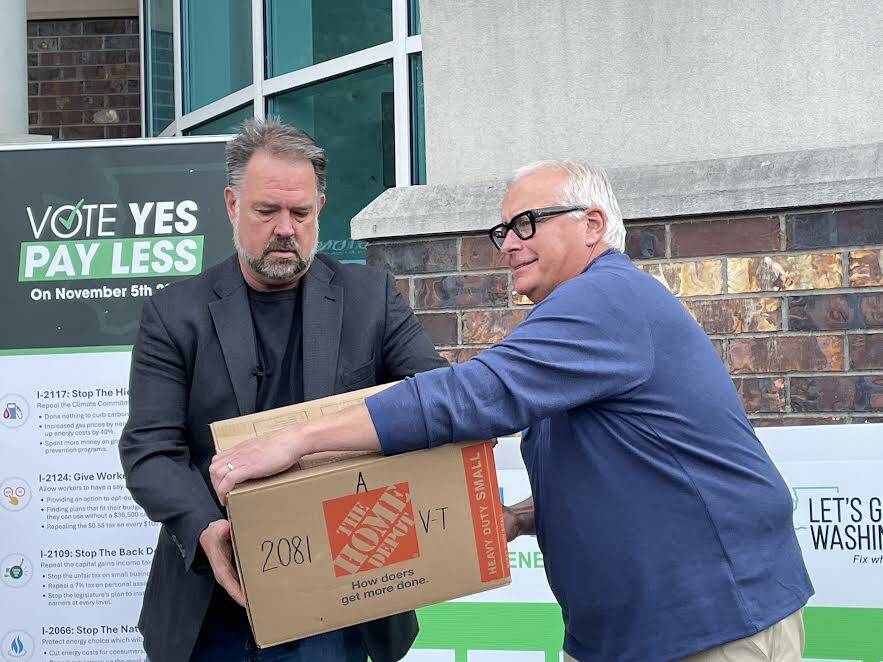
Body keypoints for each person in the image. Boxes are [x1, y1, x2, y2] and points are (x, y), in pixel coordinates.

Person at [211, 160, 814, 662]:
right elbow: (618, 467)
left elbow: (471, 396)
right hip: (632, 634)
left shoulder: (607, 300)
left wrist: (295, 440)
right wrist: (525, 516)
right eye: (502, 231)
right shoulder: (579, 320)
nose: (510, 245)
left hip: (709, 626)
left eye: (527, 222)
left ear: (593, 224)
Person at [119, 117, 447, 662]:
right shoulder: (175, 315)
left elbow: (433, 394)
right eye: (266, 211)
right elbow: (149, 450)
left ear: (320, 208)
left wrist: (314, 437)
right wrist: (205, 530)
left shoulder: (371, 299)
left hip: (345, 595)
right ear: (231, 205)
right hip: (215, 605)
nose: (285, 228)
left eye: (300, 213)